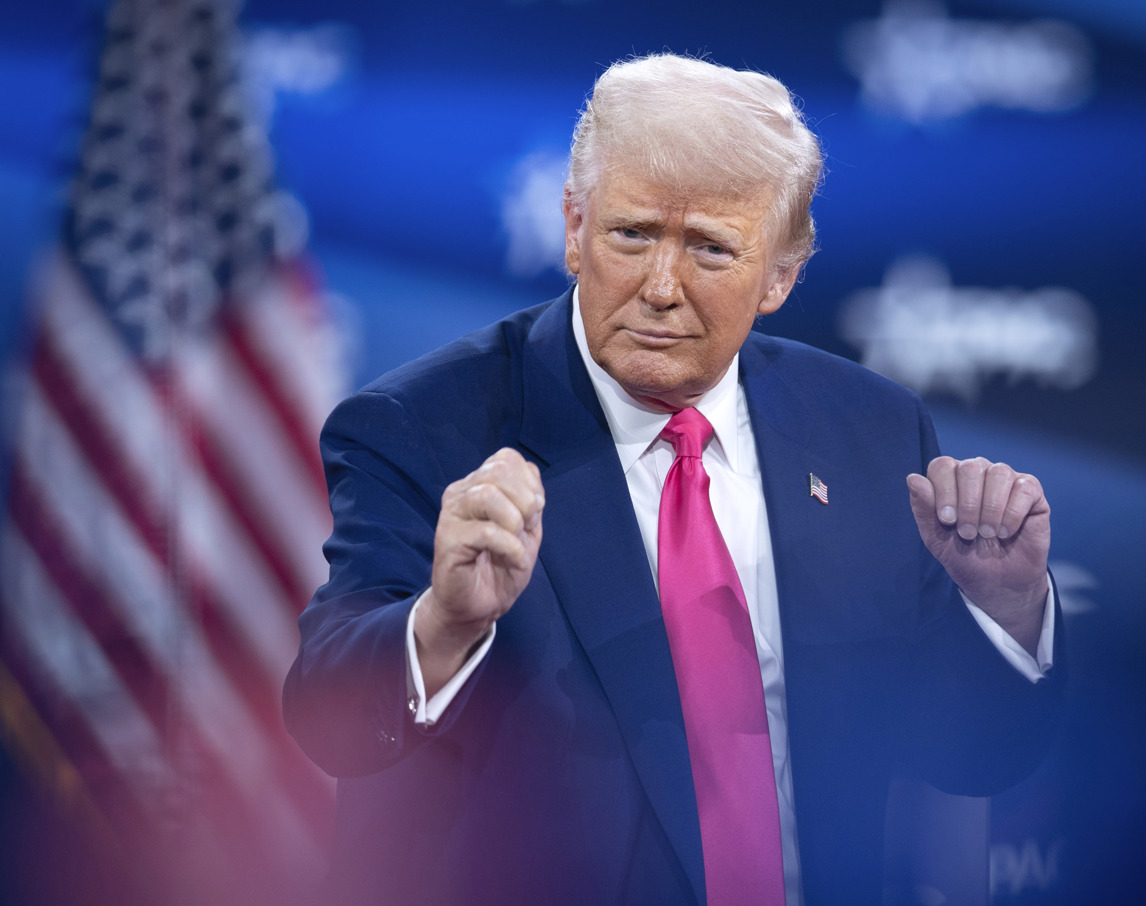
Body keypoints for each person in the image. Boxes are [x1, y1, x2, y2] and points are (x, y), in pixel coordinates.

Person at [284, 53, 1063, 906]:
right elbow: (330, 721)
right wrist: (443, 623)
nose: (661, 287)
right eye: (632, 234)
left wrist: (1004, 609)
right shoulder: (425, 428)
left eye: (710, 249)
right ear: (573, 226)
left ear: (781, 275)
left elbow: (972, 755)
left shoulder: (868, 432)